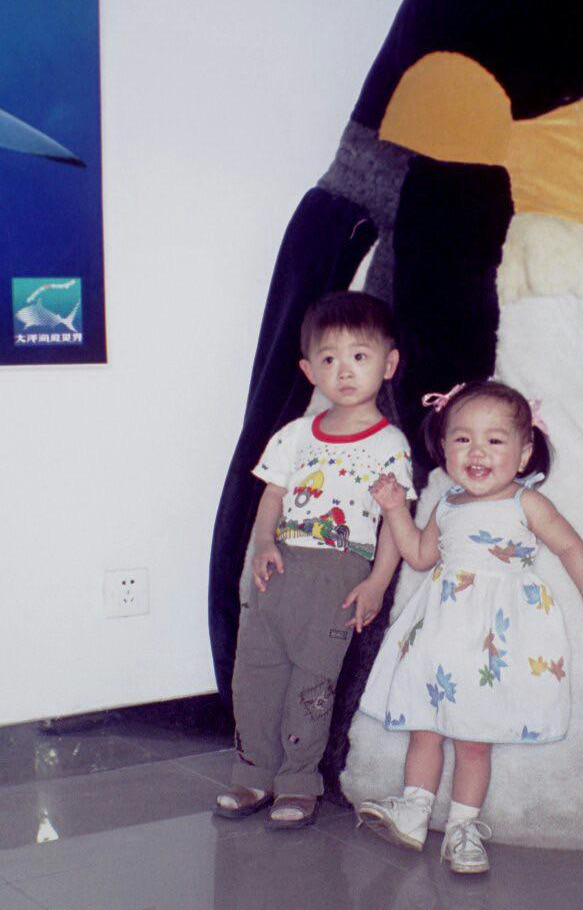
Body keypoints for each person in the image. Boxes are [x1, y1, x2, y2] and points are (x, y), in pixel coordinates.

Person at [357, 380, 583, 873]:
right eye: (462, 439)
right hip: (439, 631)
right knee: (425, 726)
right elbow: (418, 555)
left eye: (494, 440)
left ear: (523, 453)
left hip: (492, 639)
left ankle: (462, 827)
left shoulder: (526, 503)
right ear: (444, 447)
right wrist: (395, 510)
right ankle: (414, 810)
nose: (476, 451)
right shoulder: (446, 504)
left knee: (474, 739)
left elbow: (571, 549)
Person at [214, 290, 414, 828]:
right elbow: (273, 495)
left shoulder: (390, 444)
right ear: (309, 370)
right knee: (255, 676)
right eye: (329, 358)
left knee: (312, 685)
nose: (344, 370)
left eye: (359, 356)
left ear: (388, 363)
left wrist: (377, 583)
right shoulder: (295, 435)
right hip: (280, 569)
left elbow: (394, 522)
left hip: (339, 576)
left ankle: (298, 782)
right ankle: (252, 774)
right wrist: (263, 543)